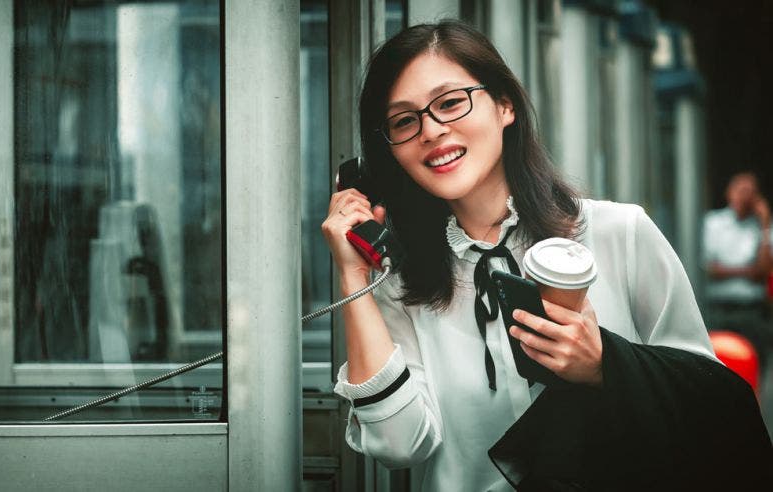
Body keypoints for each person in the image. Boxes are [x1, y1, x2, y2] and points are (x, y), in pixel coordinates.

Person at [322, 21, 769, 491]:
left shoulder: (619, 232)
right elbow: (398, 447)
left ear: (505, 105)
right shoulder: (400, 283)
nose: (431, 130)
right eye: (403, 120)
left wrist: (604, 365)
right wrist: (354, 278)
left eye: (451, 102)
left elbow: (709, 401)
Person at [703, 172, 772, 366]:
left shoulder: (763, 228)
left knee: (755, 367)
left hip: (751, 311)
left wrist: (765, 223)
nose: (745, 196)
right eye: (741, 190)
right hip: (719, 310)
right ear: (729, 192)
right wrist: (748, 272)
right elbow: (709, 270)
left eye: (750, 192)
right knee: (719, 367)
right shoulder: (713, 223)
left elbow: (764, 271)